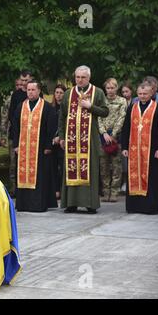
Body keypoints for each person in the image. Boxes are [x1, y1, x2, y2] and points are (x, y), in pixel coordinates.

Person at [58, 65, 109, 214]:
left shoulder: (97, 92)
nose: (80, 80)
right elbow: (62, 117)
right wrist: (61, 137)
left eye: (83, 77)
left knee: (90, 169)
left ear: (89, 77)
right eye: (77, 77)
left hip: (90, 140)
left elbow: (105, 112)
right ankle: (71, 203)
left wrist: (90, 106)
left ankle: (90, 204)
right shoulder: (68, 94)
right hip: (71, 139)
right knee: (70, 168)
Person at [13, 80, 58, 212]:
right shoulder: (21, 106)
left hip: (40, 149)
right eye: (28, 90)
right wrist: (16, 144)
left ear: (39, 91)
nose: (30, 92)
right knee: (23, 175)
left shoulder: (47, 107)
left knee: (40, 176)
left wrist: (48, 146)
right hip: (23, 148)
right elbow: (15, 127)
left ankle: (38, 204)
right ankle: (23, 204)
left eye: (33, 90)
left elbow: (51, 128)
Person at [121, 83, 158, 214]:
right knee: (133, 175)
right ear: (137, 94)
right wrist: (124, 147)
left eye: (145, 94)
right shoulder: (132, 108)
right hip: (134, 149)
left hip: (152, 150)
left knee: (152, 177)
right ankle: (134, 206)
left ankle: (151, 207)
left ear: (151, 94)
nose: (142, 96)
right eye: (140, 94)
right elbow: (125, 128)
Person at [98, 78, 127, 202]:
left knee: (116, 165)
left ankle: (115, 192)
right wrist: (104, 133)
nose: (110, 90)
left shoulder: (122, 101)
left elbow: (122, 118)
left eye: (112, 88)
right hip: (102, 136)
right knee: (103, 165)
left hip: (116, 136)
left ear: (117, 88)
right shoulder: (101, 100)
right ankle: (105, 191)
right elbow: (98, 117)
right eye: (108, 88)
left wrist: (113, 134)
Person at [7, 71, 33, 194]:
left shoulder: (36, 94)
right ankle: (14, 189)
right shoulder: (16, 95)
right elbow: (11, 115)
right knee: (14, 163)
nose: (23, 83)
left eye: (26, 80)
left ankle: (29, 187)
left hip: (32, 134)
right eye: (21, 80)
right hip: (16, 134)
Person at [51, 84, 67, 200]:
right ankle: (55, 189)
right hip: (52, 142)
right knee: (53, 167)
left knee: (63, 166)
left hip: (62, 141)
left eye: (61, 92)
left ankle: (62, 190)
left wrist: (60, 137)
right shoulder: (50, 108)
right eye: (57, 92)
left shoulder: (67, 108)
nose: (58, 95)